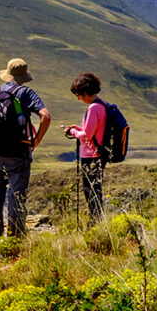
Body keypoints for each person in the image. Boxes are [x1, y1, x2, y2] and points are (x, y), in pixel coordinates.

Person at [0, 58, 51, 242]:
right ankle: (15, 239)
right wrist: (35, 141)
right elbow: (45, 116)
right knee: (16, 195)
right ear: (24, 77)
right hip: (18, 152)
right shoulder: (26, 92)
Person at [63, 72, 106, 226]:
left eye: (79, 95)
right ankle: (97, 221)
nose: (79, 98)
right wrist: (79, 128)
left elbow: (87, 135)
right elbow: (94, 131)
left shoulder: (93, 108)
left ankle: (95, 222)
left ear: (85, 92)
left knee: (91, 191)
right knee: (96, 189)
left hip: (91, 154)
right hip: (99, 153)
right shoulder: (102, 105)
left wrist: (73, 132)